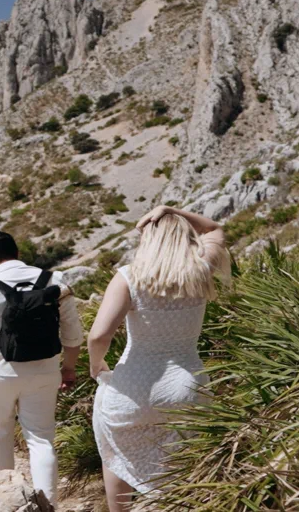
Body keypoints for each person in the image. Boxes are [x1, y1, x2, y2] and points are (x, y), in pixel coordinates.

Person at [88, 205, 230, 510]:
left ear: (147, 238)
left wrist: (96, 364)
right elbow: (215, 229)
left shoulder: (129, 277)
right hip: (187, 387)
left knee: (115, 455)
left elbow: (99, 335)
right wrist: (171, 211)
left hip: (134, 386)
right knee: (185, 473)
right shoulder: (201, 269)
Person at [0, 230, 83, 506]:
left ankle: (8, 504)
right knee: (41, 439)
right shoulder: (54, 281)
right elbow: (73, 334)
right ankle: (49, 506)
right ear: (17, 252)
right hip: (45, 372)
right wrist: (68, 369)